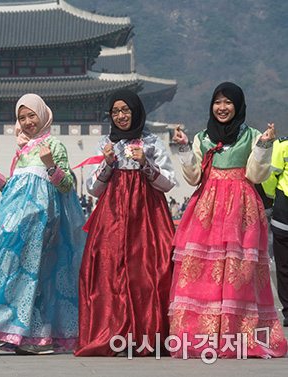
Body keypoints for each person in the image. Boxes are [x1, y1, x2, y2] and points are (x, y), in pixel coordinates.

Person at [0, 93, 86, 356]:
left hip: (39, 226)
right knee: (0, 272)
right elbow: (15, 187)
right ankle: (0, 330)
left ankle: (20, 333)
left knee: (30, 278)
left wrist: (50, 165)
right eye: (22, 117)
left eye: (31, 115)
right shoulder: (23, 149)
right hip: (10, 225)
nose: (27, 122)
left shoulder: (54, 145)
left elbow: (66, 185)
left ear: (43, 114)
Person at [169, 81, 287, 358]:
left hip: (242, 210)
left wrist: (263, 146)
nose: (222, 108)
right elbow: (194, 178)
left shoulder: (253, 136)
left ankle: (238, 334)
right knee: (205, 270)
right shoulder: (202, 138)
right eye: (218, 102)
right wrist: (185, 149)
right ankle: (203, 334)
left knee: (239, 272)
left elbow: (257, 176)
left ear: (238, 106)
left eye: (228, 102)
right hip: (207, 209)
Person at [75, 90, 176, 356]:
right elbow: (93, 188)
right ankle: (115, 333)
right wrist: (107, 163)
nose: (120, 116)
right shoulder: (106, 144)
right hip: (112, 215)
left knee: (148, 271)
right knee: (109, 271)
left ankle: (147, 334)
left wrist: (145, 164)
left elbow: (168, 182)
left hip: (147, 216)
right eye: (115, 111)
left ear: (136, 111)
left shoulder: (152, 142)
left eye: (125, 110)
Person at [262, 136, 288, 327]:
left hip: (283, 209)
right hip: (283, 213)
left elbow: (270, 176)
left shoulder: (282, 145)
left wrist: (270, 197)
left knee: (284, 265)